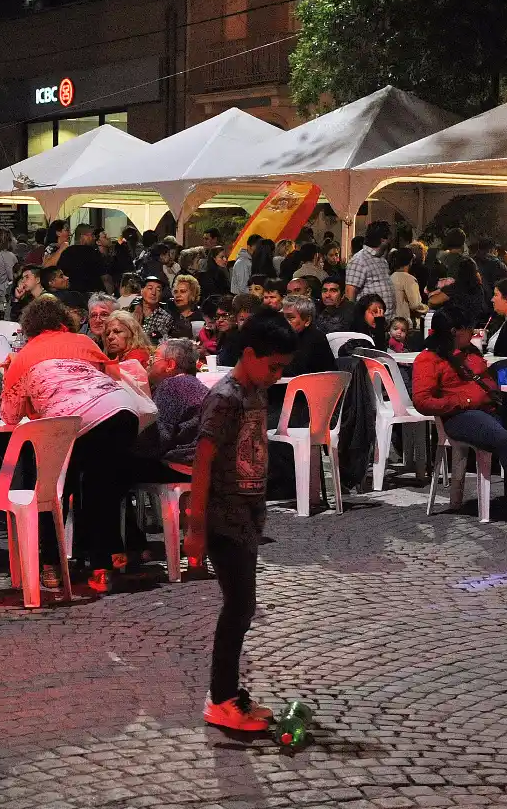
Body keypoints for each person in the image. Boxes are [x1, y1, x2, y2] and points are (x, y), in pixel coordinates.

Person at [182, 312, 297, 731]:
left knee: (242, 608)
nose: (277, 375)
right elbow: (203, 461)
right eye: (274, 366)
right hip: (222, 516)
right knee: (238, 608)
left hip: (246, 513)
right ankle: (221, 699)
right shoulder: (226, 396)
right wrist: (195, 529)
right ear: (249, 354)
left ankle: (229, 694)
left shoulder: (254, 392)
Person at [0, 297, 148, 593]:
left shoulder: (25, 356)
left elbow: (9, 414)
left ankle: (51, 563)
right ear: (63, 322)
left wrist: (12, 377)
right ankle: (104, 564)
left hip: (76, 423)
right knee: (100, 489)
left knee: (48, 487)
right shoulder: (83, 341)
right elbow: (111, 374)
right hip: (122, 413)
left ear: (30, 330)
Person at [411, 304, 507, 497]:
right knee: (504, 440)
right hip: (459, 416)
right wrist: (464, 400)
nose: (473, 333)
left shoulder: (470, 352)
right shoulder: (429, 359)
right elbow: (422, 402)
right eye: (469, 329)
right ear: (455, 332)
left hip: (490, 410)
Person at [128, 337, 208, 476]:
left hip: (185, 464)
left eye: (154, 358)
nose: (148, 362)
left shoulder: (171, 385)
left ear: (170, 365)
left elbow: (156, 443)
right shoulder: (195, 384)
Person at [344, 220, 395, 310]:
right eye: (390, 237)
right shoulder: (359, 260)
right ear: (383, 239)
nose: (392, 239)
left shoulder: (382, 260)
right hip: (368, 321)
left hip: (384, 321)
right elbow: (350, 292)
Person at [279, 296, 335, 377]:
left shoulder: (315, 339)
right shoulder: (284, 336)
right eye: (282, 317)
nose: (283, 322)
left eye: (290, 317)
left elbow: (296, 372)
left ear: (307, 320)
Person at [428, 257, 488, 325]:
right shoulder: (479, 288)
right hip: (474, 323)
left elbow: (433, 300)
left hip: (455, 326)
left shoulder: (456, 287)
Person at [133, 275, 191, 342]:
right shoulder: (131, 310)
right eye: (150, 288)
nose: (153, 293)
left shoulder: (166, 318)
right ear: (142, 291)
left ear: (161, 295)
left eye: (158, 290)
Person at [57, 223, 110, 295]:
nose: (94, 238)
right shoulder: (93, 253)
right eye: (91, 235)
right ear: (83, 236)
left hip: (73, 295)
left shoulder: (66, 252)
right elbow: (105, 278)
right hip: (93, 296)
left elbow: (62, 273)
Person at [215, 294, 263, 367]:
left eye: (250, 320)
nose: (246, 325)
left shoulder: (265, 338)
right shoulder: (230, 337)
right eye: (242, 320)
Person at [388, 248, 424, 322]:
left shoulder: (391, 277)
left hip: (390, 321)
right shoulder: (409, 279)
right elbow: (415, 304)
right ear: (410, 262)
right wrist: (427, 308)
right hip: (404, 322)